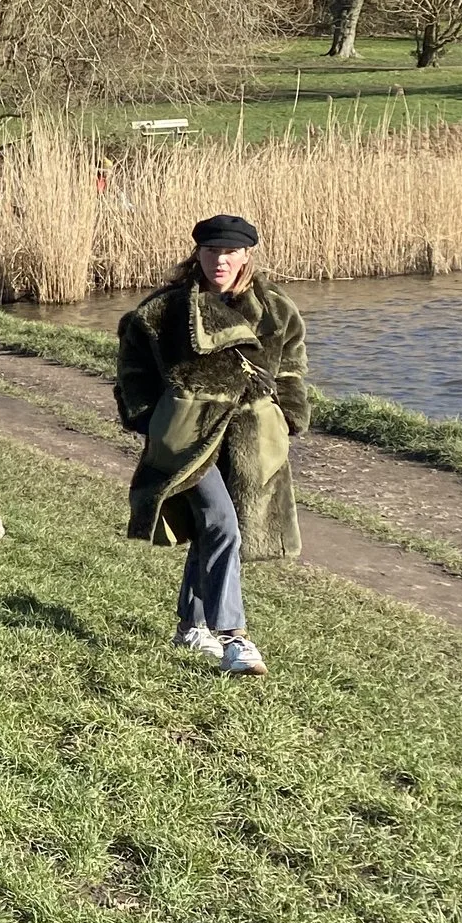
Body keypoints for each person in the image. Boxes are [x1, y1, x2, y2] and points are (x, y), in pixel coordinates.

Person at [115, 213, 310, 677]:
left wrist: (287, 415)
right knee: (223, 525)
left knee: (213, 531)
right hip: (188, 440)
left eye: (230, 252)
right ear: (196, 253)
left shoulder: (277, 309)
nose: (219, 260)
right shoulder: (166, 310)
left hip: (249, 438)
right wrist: (152, 419)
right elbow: (132, 370)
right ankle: (234, 639)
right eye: (210, 251)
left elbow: (291, 369)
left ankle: (190, 625)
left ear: (247, 255)